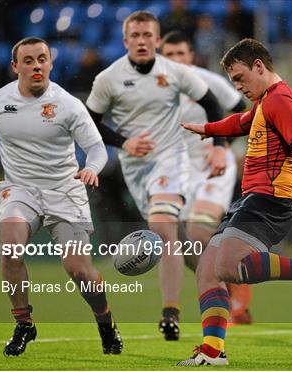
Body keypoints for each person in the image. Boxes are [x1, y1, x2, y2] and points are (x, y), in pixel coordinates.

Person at [177, 38, 292, 366]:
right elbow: (240, 123)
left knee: (229, 267)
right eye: (233, 80)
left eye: (240, 77)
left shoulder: (282, 100)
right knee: (207, 270)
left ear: (259, 66)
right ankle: (213, 351)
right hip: (251, 200)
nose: (238, 86)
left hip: (271, 200)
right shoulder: (264, 102)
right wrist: (207, 129)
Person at [0, 37, 122, 356]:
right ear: (15, 67)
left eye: (42, 59)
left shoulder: (67, 104)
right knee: (10, 251)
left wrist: (92, 167)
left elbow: (96, 148)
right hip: (19, 191)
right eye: (28, 60)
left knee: (78, 269)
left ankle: (105, 321)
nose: (36, 65)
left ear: (50, 63)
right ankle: (24, 323)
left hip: (65, 192)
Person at [85, 11, 224, 341]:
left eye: (148, 35)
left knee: (161, 228)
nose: (142, 41)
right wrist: (124, 142)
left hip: (170, 161)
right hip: (135, 168)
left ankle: (170, 313)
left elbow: (212, 103)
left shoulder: (173, 72)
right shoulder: (109, 78)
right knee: (178, 240)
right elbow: (88, 121)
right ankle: (215, 279)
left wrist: (219, 146)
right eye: (135, 36)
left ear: (158, 40)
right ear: (126, 41)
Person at [160, 30, 253, 325]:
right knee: (180, 243)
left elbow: (245, 114)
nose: (176, 60)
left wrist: (227, 148)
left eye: (181, 54)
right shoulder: (155, 89)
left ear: (191, 56)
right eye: (170, 55)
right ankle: (232, 285)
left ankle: (222, 300)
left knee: (199, 233)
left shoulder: (209, 82)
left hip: (214, 166)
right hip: (178, 173)